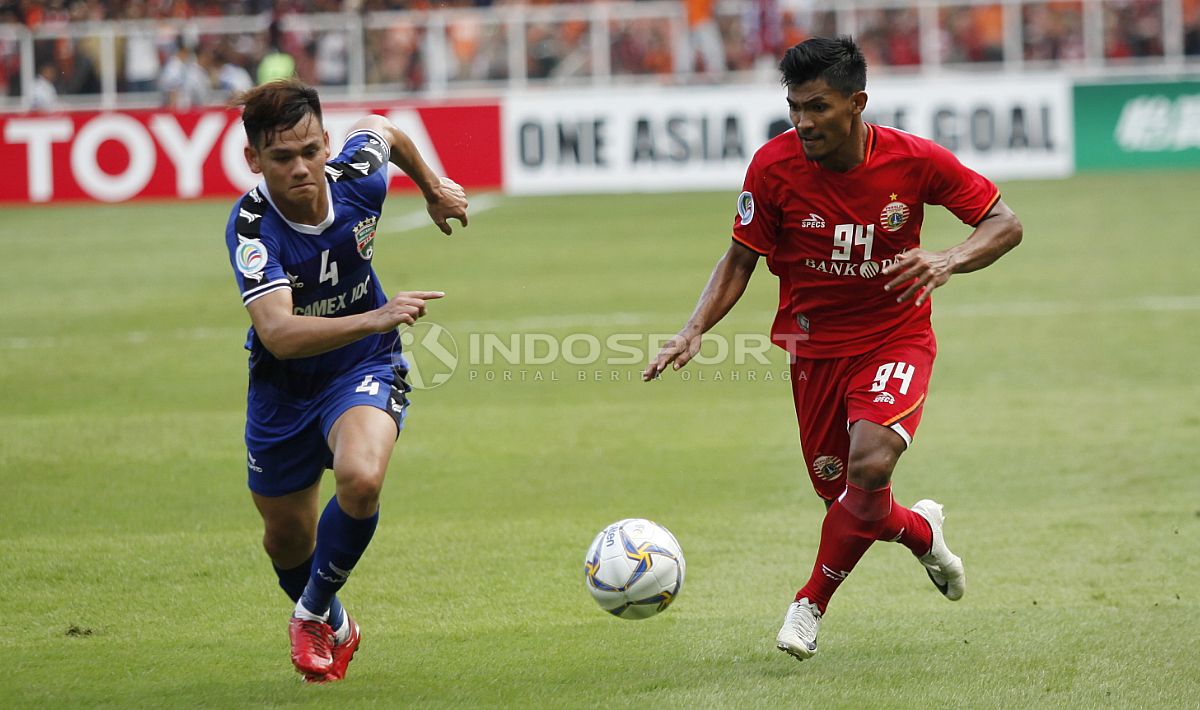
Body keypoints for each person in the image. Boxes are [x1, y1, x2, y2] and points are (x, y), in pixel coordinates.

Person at [643, 36, 1022, 660]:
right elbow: (741, 258)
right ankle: (922, 531)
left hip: (897, 336)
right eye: (794, 106)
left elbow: (1005, 222)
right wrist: (693, 329)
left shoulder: (913, 160)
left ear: (857, 103)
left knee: (871, 464)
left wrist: (949, 259)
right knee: (849, 500)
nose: (803, 122)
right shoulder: (773, 167)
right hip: (813, 350)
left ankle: (808, 604)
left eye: (817, 107)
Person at [224, 79, 469, 682]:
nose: (302, 168)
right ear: (254, 160)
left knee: (361, 477)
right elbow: (278, 332)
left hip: (364, 364)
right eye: (282, 158)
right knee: (285, 541)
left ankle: (307, 614)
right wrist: (377, 314)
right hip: (283, 389)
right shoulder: (253, 227)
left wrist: (433, 187)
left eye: (311, 150)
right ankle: (334, 620)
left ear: (327, 143)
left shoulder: (357, 176)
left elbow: (384, 127)